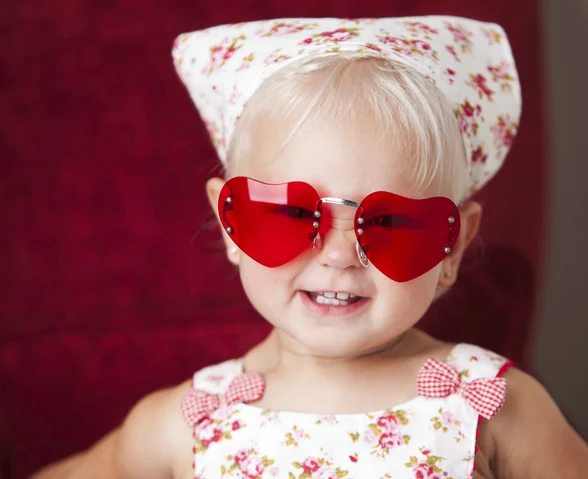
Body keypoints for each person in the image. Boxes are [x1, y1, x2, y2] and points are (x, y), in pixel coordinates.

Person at [33, 16, 588, 479]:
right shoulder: (188, 422)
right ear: (229, 224)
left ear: (452, 248)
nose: (339, 255)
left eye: (390, 222)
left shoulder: (493, 407)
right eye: (292, 216)